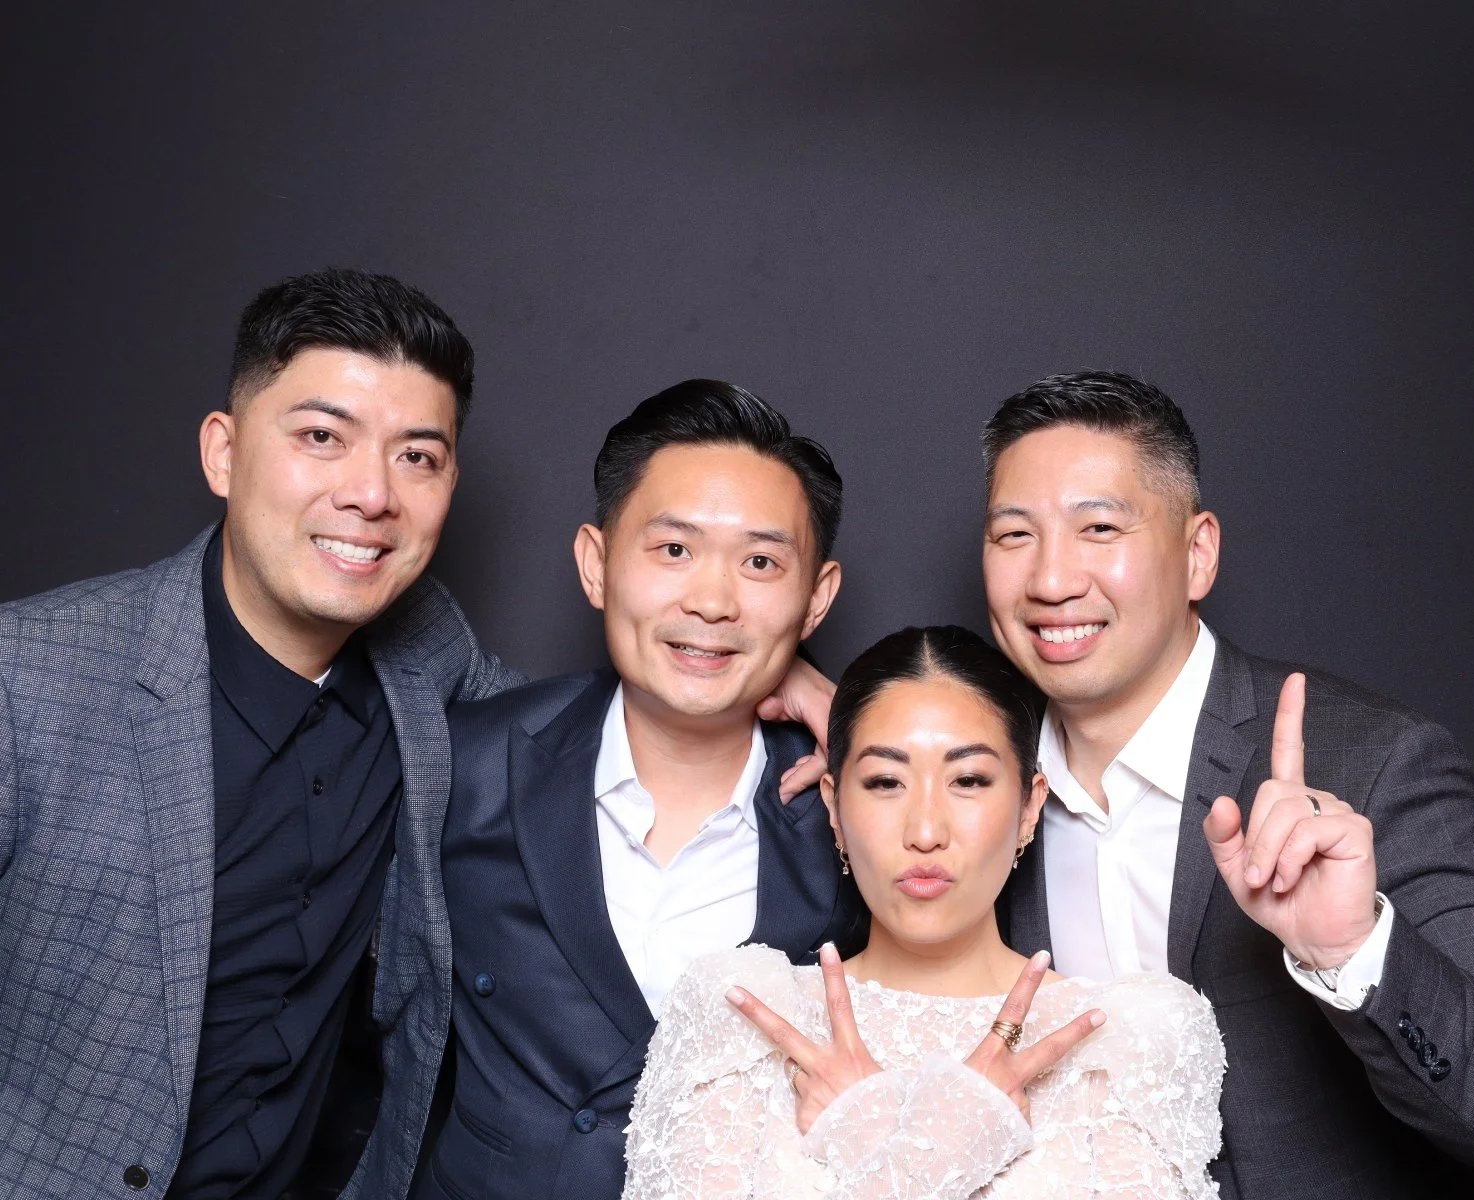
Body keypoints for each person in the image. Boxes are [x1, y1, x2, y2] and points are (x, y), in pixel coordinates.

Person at [981, 372, 1474, 1197]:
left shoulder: (1375, 762)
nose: (1052, 580)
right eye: (1013, 537)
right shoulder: (972, 786)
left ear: (1197, 552)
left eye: (1099, 527)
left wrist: (1357, 953)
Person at [0, 268, 523, 1200]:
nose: (371, 495)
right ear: (224, 453)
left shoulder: (427, 648)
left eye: (418, 457)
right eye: (322, 437)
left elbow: (577, 729)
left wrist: (778, 686)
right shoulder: (26, 680)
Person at [418, 381, 864, 1200]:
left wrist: (876, 735)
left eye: (761, 562)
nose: (712, 601)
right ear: (596, 564)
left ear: (816, 598)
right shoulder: (467, 762)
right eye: (673, 550)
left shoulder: (861, 817)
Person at [623, 625, 1227, 1199]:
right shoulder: (742, 1017)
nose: (926, 831)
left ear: (1028, 807)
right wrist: (934, 1147)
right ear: (834, 804)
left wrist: (875, 1132)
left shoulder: (1125, 1042)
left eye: (968, 780)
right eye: (886, 782)